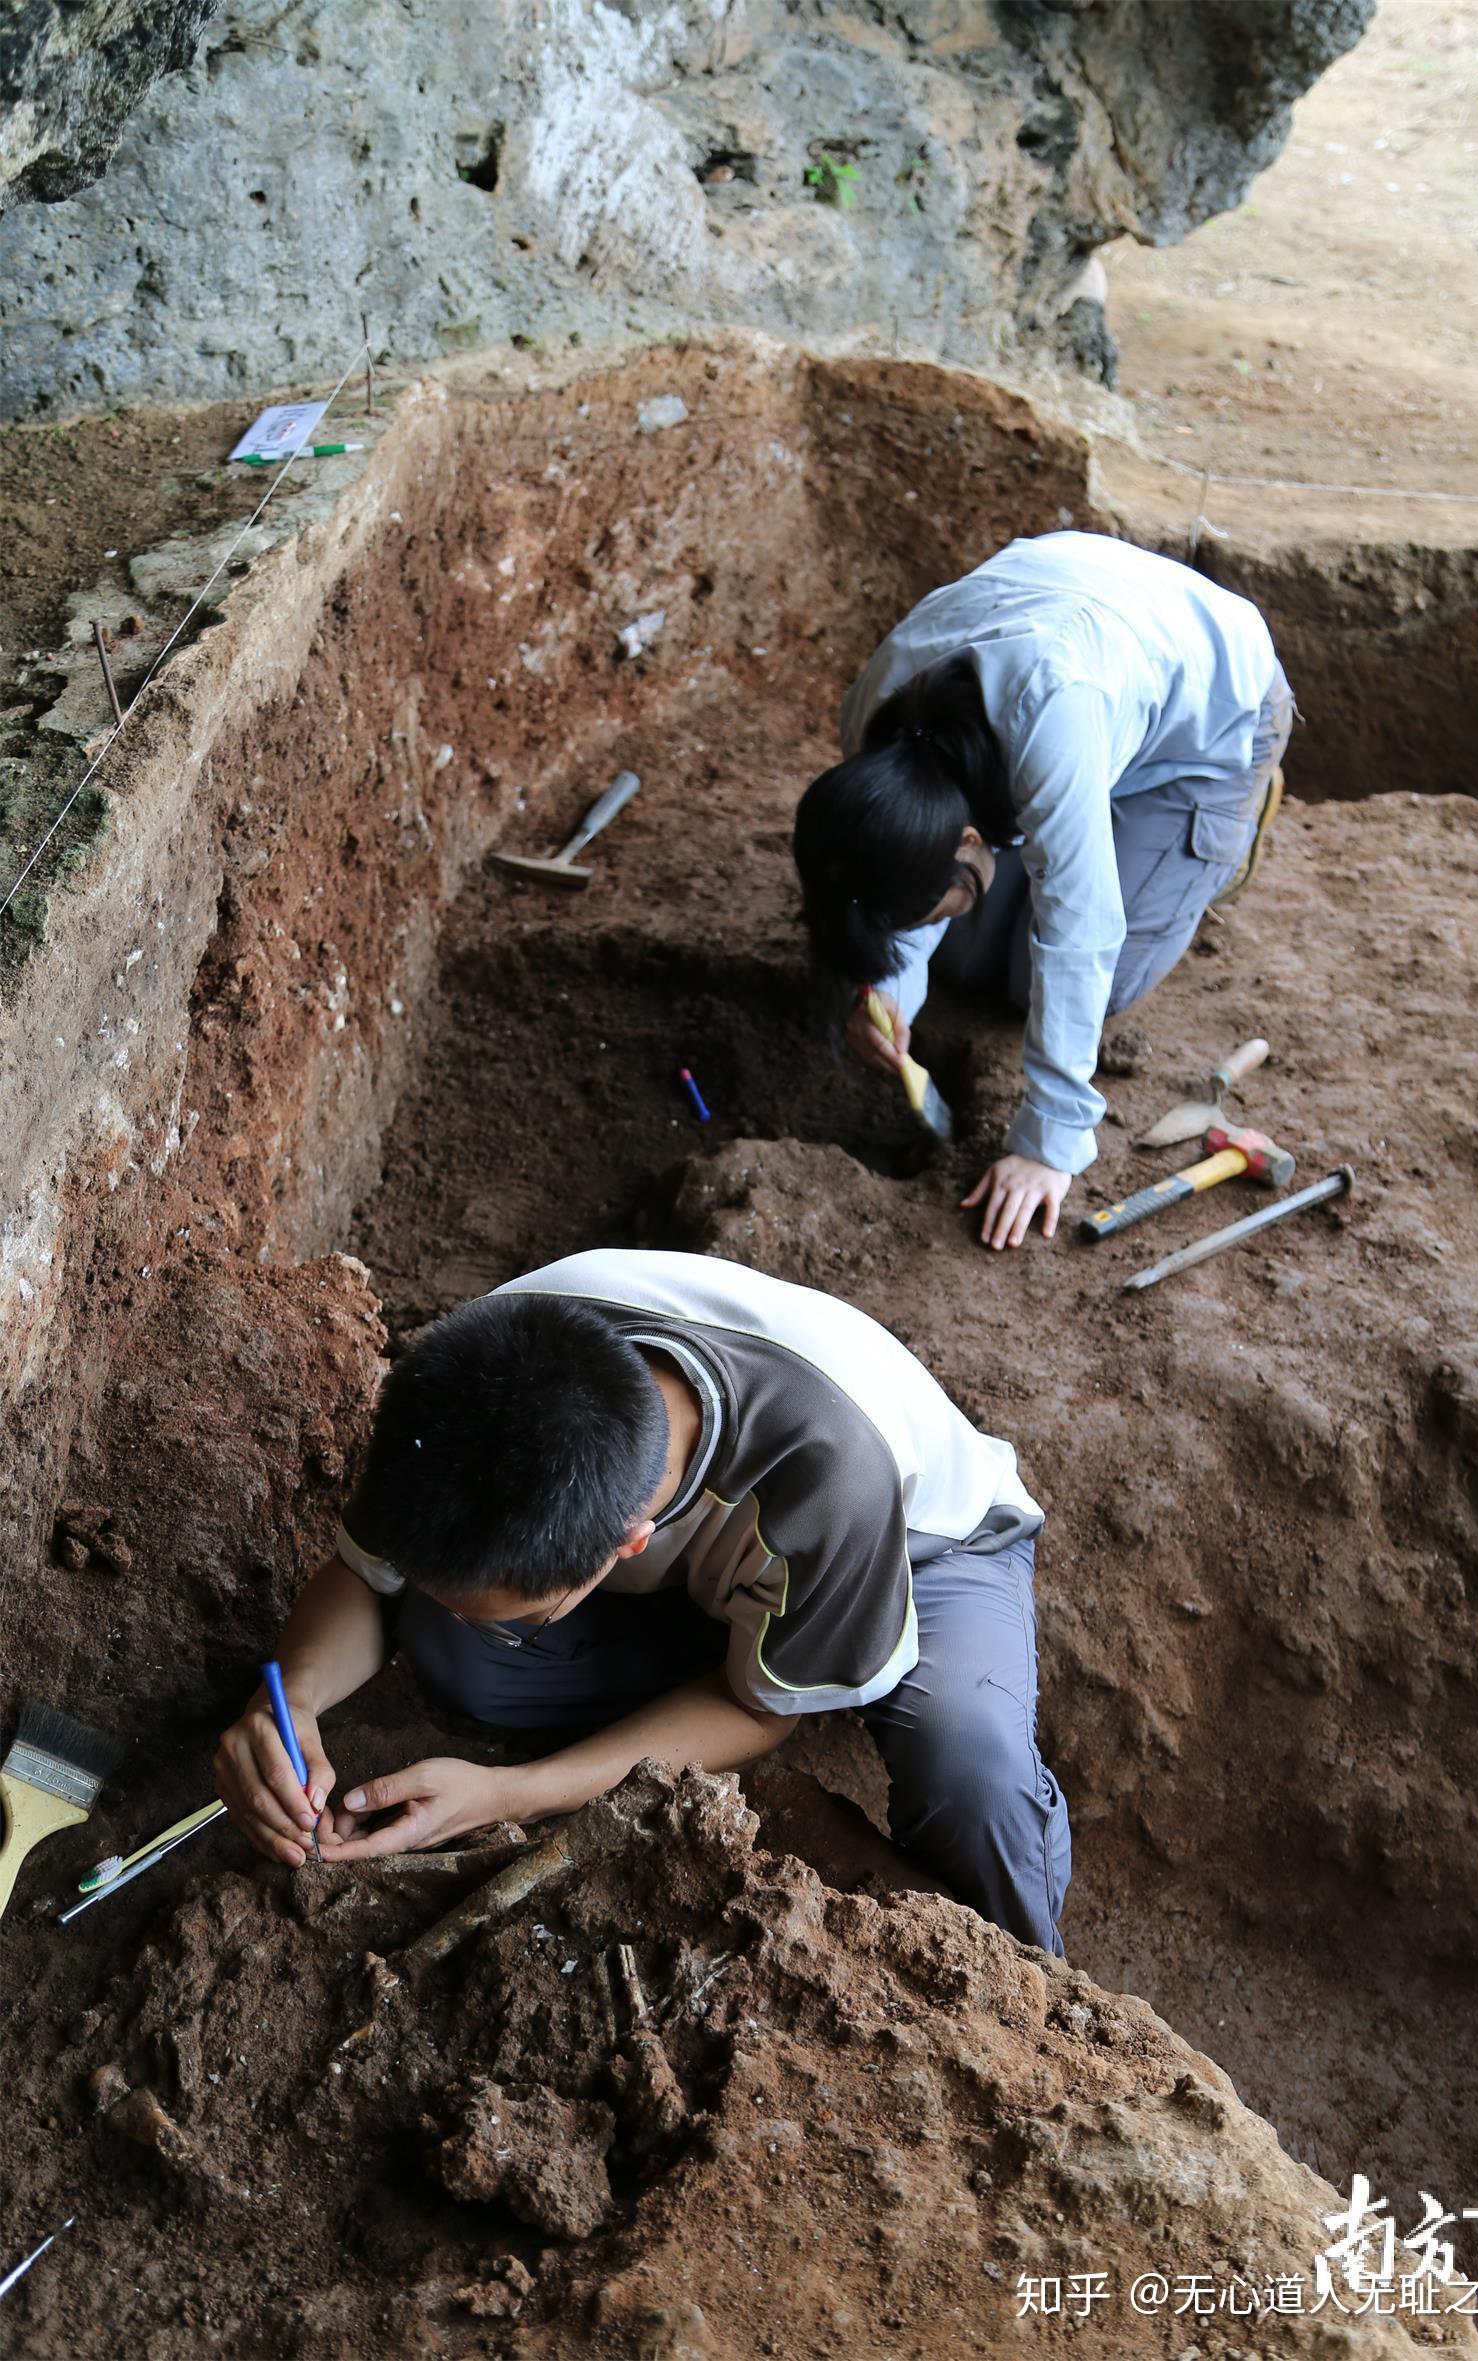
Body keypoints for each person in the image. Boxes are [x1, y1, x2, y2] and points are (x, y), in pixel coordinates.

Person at [214, 1248, 1072, 1956]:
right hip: (715, 1571)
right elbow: (367, 1576)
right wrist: (289, 1696)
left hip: (933, 1547)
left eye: (522, 1611)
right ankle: (737, 1640)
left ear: (630, 1543)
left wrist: (510, 1793)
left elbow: (758, 1709)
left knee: (970, 1769)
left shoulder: (828, 1476)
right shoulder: (462, 1387)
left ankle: (1040, 1978)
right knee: (453, 1651)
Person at [793, 532, 1294, 1250]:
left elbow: (1082, 931)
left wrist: (1049, 1141)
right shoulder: (877, 726)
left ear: (970, 841)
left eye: (944, 890)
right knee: (965, 961)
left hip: (1211, 719)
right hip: (1087, 639)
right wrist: (891, 984)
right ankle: (1078, 842)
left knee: (1057, 979)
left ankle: (1224, 836)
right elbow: (886, 873)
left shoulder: (1050, 714)